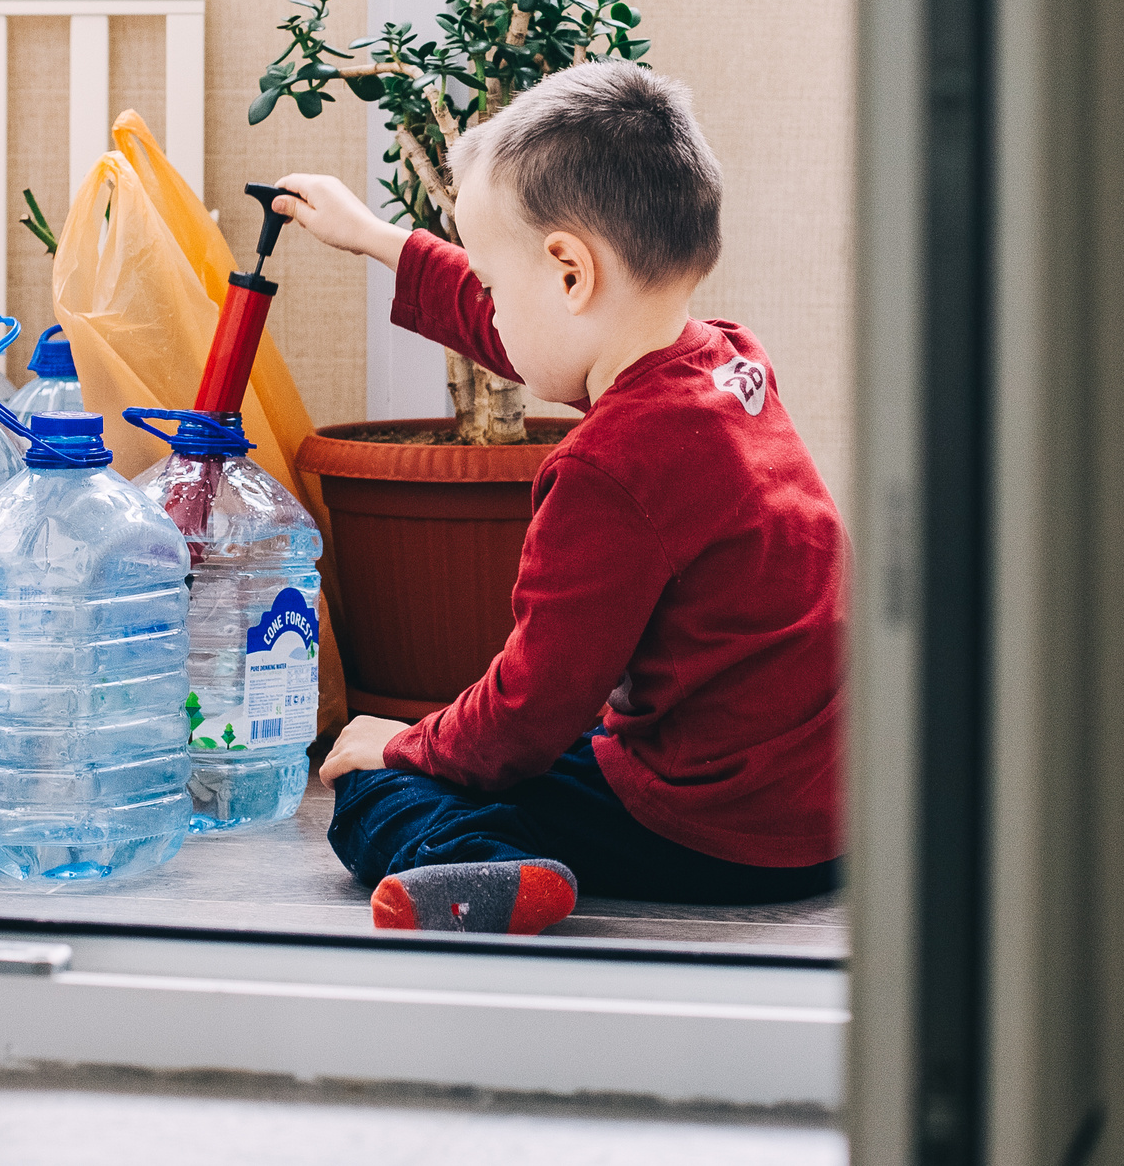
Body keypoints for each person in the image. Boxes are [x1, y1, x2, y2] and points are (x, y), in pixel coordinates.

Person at [270, 61, 844, 936]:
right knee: (474, 742)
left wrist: (398, 743)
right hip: (821, 809)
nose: (491, 312)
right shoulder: (724, 365)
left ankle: (487, 872)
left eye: (496, 288)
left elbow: (528, 714)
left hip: (717, 830)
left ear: (570, 273)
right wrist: (378, 239)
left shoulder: (608, 469)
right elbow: (537, 334)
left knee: (371, 783)